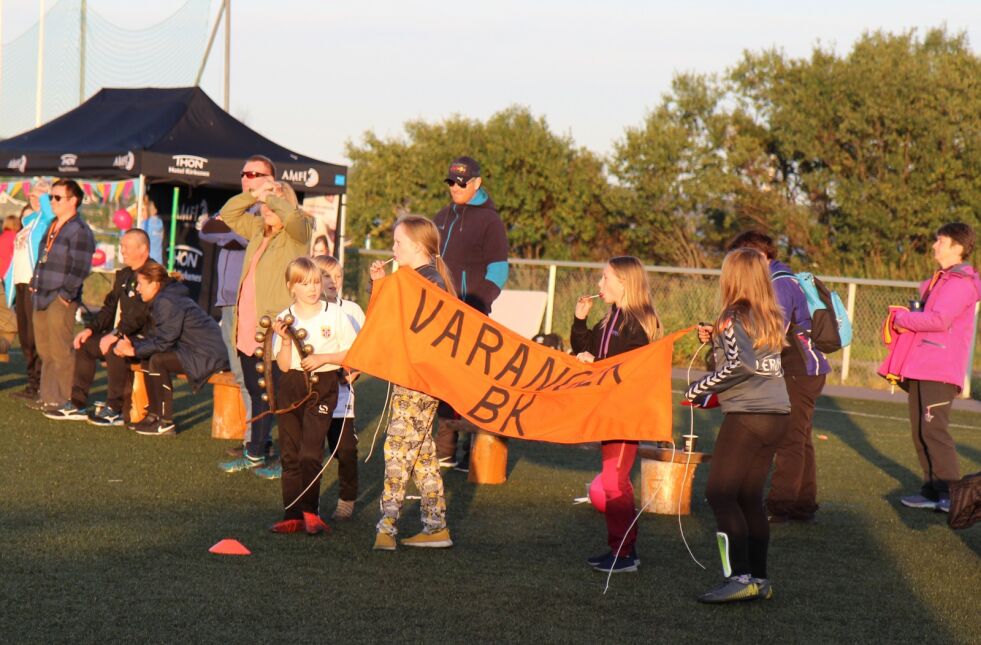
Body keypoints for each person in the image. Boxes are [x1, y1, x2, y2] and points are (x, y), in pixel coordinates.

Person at [685, 248, 789, 604]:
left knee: (719, 493)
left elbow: (740, 366)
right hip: (777, 415)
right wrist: (714, 339)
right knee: (748, 498)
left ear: (733, 277)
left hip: (748, 416)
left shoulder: (732, 315)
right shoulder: (769, 312)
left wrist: (698, 389)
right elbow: (749, 358)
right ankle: (759, 579)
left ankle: (738, 577)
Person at [727, 231, 831, 523]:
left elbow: (772, 333)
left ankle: (780, 505)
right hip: (802, 370)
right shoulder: (776, 280)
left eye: (742, 260)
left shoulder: (780, 283)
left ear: (759, 257)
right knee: (800, 438)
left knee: (789, 439)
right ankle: (802, 504)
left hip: (799, 370)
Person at [369, 215, 456, 551]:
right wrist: (380, 284)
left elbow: (412, 328)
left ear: (419, 246)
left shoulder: (427, 281)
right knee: (420, 454)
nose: (393, 248)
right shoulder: (414, 278)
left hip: (418, 379)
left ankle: (387, 526)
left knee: (397, 450)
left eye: (398, 243)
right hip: (417, 377)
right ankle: (436, 527)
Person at [571, 256, 662, 574]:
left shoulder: (638, 321)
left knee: (614, 482)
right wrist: (580, 321)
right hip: (609, 411)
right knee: (613, 482)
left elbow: (628, 368)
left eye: (605, 278)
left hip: (626, 413)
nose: (599, 284)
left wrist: (597, 363)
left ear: (624, 282)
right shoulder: (611, 317)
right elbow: (591, 350)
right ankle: (623, 550)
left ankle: (623, 554)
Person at [217, 176, 312, 473]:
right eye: (266, 199)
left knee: (281, 397)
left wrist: (272, 197)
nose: (268, 203)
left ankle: (290, 460)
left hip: (277, 330)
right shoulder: (259, 231)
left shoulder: (299, 232)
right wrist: (254, 194)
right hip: (249, 328)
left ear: (285, 201)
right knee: (256, 390)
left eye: (276, 197)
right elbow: (229, 213)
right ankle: (255, 451)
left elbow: (293, 217)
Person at [884, 223, 981, 513]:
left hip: (939, 368)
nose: (934, 246)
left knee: (934, 430)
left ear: (957, 247)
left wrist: (904, 319)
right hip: (922, 365)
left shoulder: (960, 283)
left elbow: (940, 320)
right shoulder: (941, 281)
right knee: (920, 431)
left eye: (940, 241)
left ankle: (951, 494)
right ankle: (931, 490)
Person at [266, 257, 357, 534]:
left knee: (310, 452)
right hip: (291, 384)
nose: (312, 288)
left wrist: (323, 358)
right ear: (291, 286)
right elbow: (282, 365)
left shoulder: (335, 315)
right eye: (304, 283)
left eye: (316, 282)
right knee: (290, 454)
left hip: (324, 385)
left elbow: (353, 353)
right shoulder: (284, 317)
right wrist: (283, 340)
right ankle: (291, 514)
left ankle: (310, 512)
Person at [432, 156, 510, 471]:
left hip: (472, 314)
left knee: (471, 384)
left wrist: (478, 305)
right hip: (439, 314)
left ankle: (472, 450)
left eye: (461, 182)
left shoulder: (491, 221)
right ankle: (445, 449)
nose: (455, 187)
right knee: (442, 381)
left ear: (476, 183)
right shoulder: (441, 216)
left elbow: (500, 271)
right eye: (451, 181)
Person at [198, 157, 273, 458]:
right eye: (244, 173)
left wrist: (228, 230)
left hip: (252, 304)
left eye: (254, 174)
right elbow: (207, 230)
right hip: (229, 302)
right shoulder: (237, 205)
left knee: (255, 377)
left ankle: (256, 442)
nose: (247, 178)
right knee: (243, 375)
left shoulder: (268, 210)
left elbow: (245, 235)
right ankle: (253, 439)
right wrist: (228, 231)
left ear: (270, 178)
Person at [44, 229, 152, 425]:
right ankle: (77, 403)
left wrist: (117, 334)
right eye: (121, 247)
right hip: (120, 334)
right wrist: (91, 329)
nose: (122, 252)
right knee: (85, 344)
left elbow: (140, 314)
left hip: (145, 339)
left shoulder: (153, 274)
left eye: (126, 247)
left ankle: (115, 408)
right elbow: (109, 308)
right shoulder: (124, 275)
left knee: (115, 348)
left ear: (143, 249)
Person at [113, 262, 229, 437]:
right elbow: (159, 337)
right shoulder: (164, 297)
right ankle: (153, 416)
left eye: (141, 284)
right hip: (196, 350)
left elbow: (165, 341)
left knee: (158, 360)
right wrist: (134, 347)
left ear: (155, 284)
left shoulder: (167, 300)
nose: (137, 289)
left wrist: (133, 350)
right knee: (149, 357)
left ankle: (165, 421)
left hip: (209, 354)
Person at [30, 179, 95, 414]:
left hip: (60, 297)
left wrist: (66, 296)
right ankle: (48, 397)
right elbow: (43, 259)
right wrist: (33, 283)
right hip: (41, 294)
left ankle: (67, 400)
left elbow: (81, 267)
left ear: (73, 200)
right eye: (51, 197)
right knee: (45, 351)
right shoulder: (53, 225)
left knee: (61, 351)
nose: (52, 202)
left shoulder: (79, 230)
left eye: (58, 197)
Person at [314, 254, 366, 520]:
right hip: (313, 395)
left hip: (342, 396)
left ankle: (346, 498)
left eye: (338, 276)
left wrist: (353, 373)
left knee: (345, 449)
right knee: (310, 452)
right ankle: (310, 505)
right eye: (326, 276)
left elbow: (362, 351)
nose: (333, 281)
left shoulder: (353, 311)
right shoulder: (306, 312)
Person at [4, 180, 53, 401]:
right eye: (31, 196)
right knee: (25, 338)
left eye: (36, 197)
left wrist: (44, 194)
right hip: (21, 285)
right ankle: (32, 382)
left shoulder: (45, 222)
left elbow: (50, 214)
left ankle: (41, 383)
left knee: (35, 337)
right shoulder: (28, 223)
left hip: (35, 285)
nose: (32, 199)